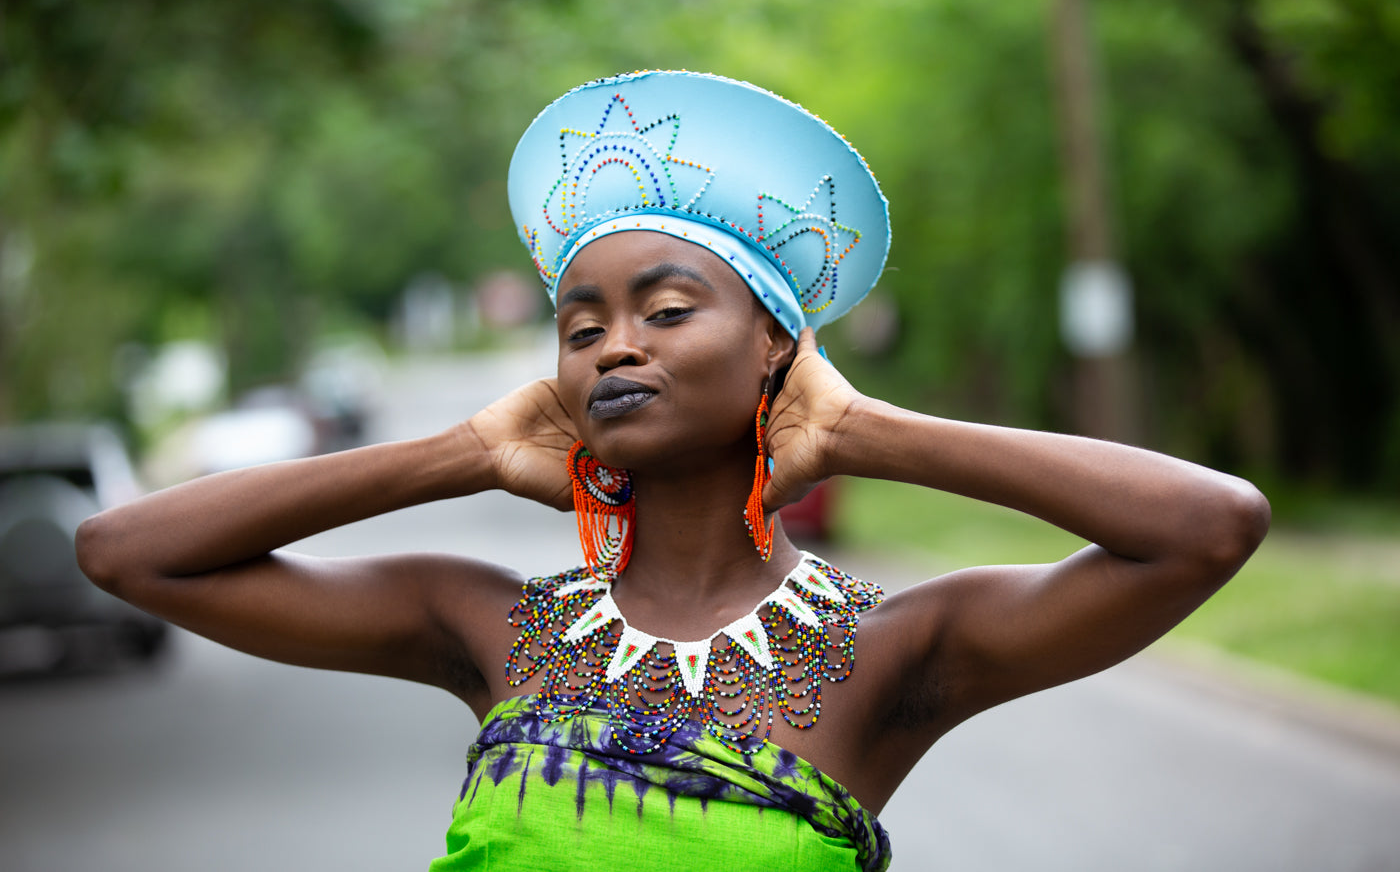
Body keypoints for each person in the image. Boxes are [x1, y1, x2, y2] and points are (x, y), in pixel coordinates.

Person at [77, 71, 1270, 871]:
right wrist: (465, 454)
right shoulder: (487, 627)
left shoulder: (886, 651)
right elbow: (124, 552)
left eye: (665, 307)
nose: (618, 344)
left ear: (771, 347)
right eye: (582, 326)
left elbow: (1207, 526)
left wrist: (863, 432)